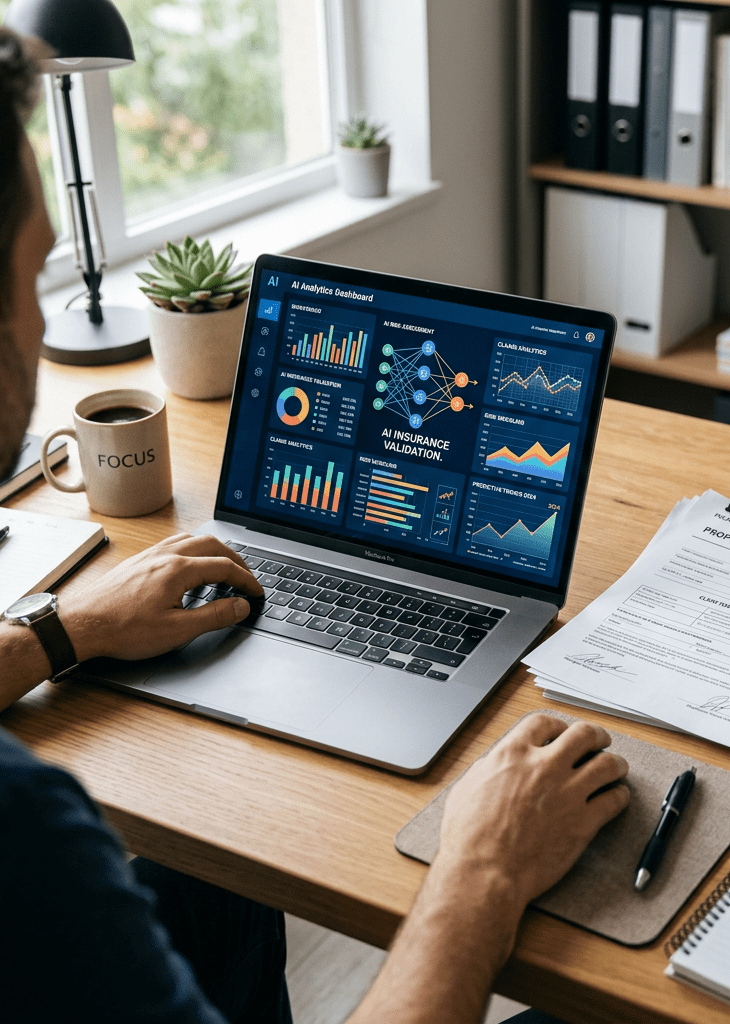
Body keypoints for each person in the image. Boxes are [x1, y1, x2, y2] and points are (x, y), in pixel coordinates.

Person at [0, 27, 630, 1024]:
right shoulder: (27, 831)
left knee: (213, 878)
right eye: (31, 277)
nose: (37, 330)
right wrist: (480, 871)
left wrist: (58, 631)